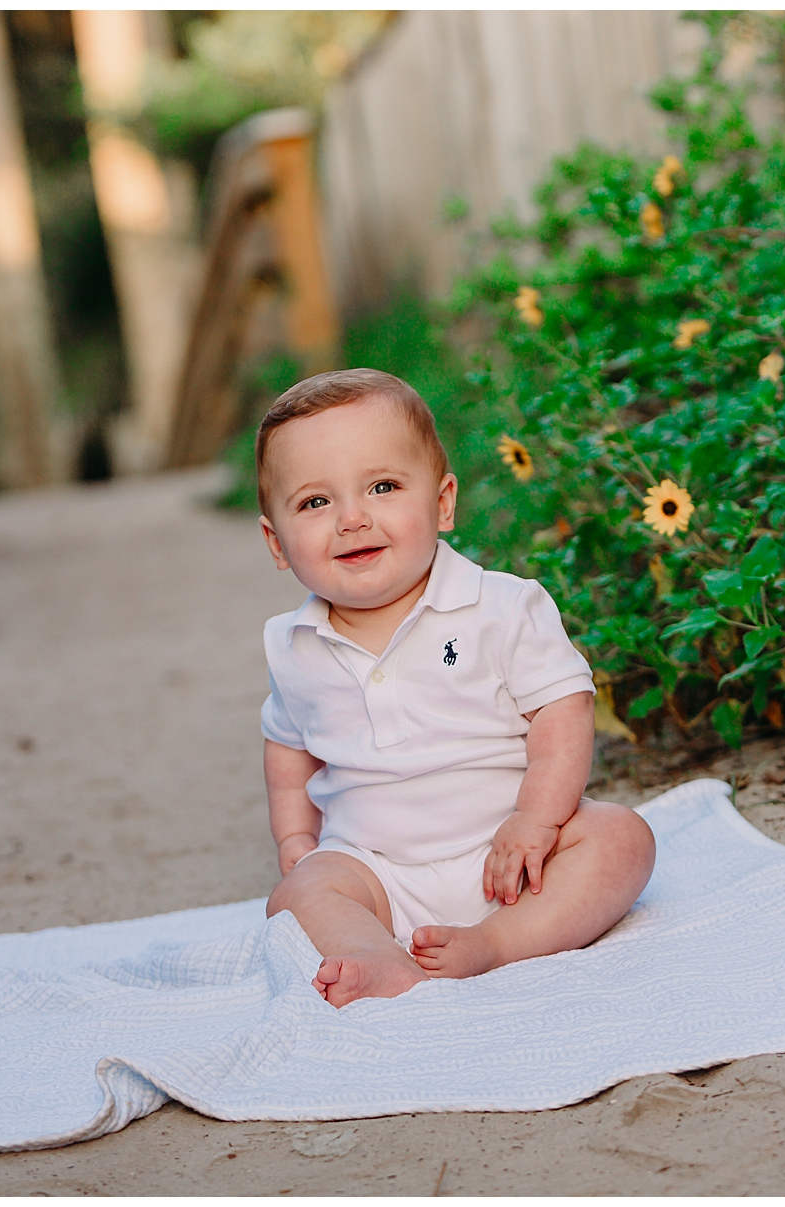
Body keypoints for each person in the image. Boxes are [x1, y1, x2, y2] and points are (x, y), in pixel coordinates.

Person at [255, 368, 657, 1007]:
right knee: (295, 896)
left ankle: (498, 943)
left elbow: (563, 707)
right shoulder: (292, 644)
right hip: (374, 871)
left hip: (513, 861)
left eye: (382, 487)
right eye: (315, 502)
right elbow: (286, 747)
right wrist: (296, 842)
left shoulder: (500, 606)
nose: (352, 519)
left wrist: (537, 819)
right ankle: (375, 954)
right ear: (277, 542)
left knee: (621, 839)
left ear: (442, 503)